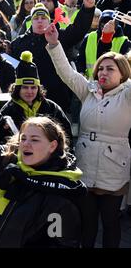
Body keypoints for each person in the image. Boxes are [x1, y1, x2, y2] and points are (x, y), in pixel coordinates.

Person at [0, 83, 86, 248]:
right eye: (23, 138)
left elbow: (60, 243)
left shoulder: (64, 191)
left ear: (53, 146)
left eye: (34, 140)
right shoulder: (9, 161)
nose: (26, 145)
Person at [44, 23, 131, 248]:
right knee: (87, 222)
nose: (103, 72)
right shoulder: (89, 92)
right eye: (100, 69)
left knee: (111, 222)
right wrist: (54, 44)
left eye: (110, 69)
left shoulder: (127, 96)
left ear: (123, 74)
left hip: (114, 167)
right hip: (85, 165)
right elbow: (67, 73)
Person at [11, 0, 96, 112]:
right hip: (28, 97)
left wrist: (87, 9)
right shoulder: (19, 43)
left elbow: (78, 29)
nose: (40, 21)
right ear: (31, 21)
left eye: (43, 18)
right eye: (36, 18)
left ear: (49, 20)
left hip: (57, 96)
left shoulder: (58, 35)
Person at [0, 51, 73, 146]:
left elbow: (66, 134)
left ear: (39, 89)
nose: (29, 91)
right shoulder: (8, 110)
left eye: (33, 87)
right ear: (17, 88)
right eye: (25, 87)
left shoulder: (51, 107)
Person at [76, 10, 131, 79]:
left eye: (109, 23)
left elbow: (126, 67)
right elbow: (80, 59)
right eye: (103, 23)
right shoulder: (90, 37)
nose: (105, 26)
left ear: (116, 25)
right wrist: (81, 73)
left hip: (113, 83)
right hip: (91, 82)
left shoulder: (124, 41)